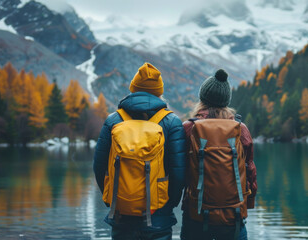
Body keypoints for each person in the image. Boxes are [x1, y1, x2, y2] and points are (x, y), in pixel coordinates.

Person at [93, 62, 186, 240]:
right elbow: (179, 172)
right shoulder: (171, 122)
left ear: (133, 89)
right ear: (159, 91)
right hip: (158, 217)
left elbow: (99, 166)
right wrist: (167, 205)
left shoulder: (113, 121)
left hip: (121, 215)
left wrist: (112, 199)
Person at [180, 69, 257, 240]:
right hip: (233, 213)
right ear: (225, 102)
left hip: (196, 213)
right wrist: (247, 205)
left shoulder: (188, 128)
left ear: (202, 99)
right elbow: (249, 169)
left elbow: (180, 169)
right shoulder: (240, 129)